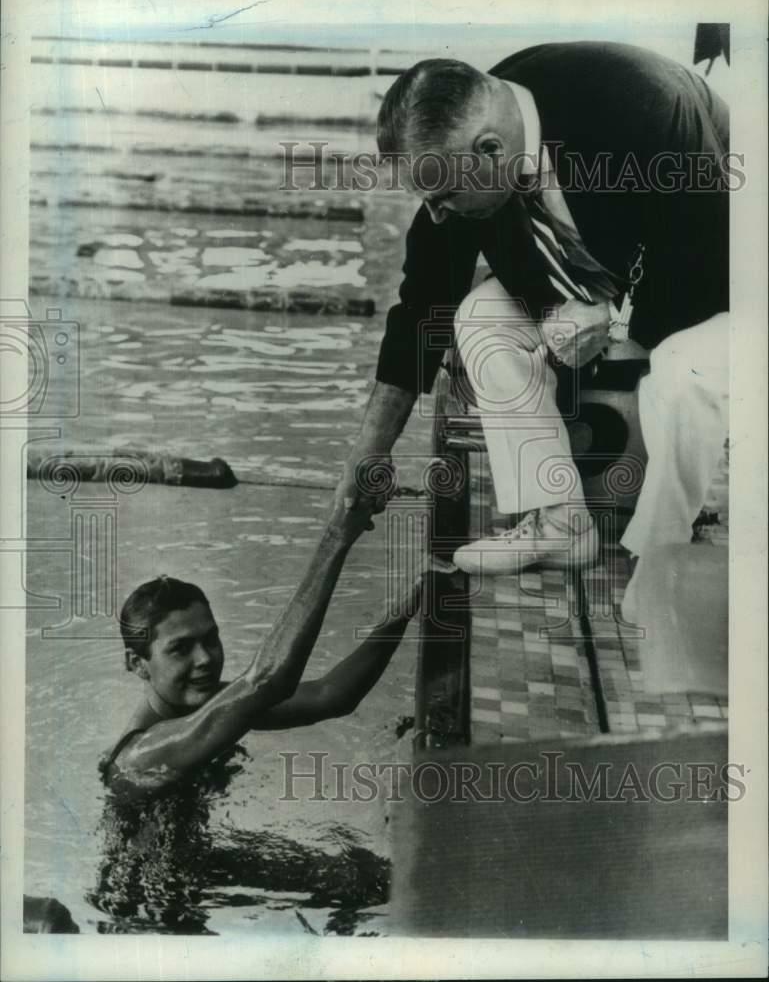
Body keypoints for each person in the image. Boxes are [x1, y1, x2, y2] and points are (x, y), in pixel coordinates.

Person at [333, 41, 729, 586]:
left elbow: (707, 266)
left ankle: (662, 549)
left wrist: (612, 313)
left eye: (442, 196)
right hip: (605, 268)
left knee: (683, 374)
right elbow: (420, 306)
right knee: (476, 319)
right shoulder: (466, 139)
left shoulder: (644, 103)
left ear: (492, 149)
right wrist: (369, 454)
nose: (435, 215)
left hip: (727, 262)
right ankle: (561, 522)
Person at [101, 501, 421, 797]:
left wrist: (408, 602)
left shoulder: (205, 707)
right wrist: (336, 536)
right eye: (180, 648)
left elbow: (333, 695)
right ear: (138, 663)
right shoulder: (143, 752)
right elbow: (269, 681)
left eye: (210, 639)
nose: (205, 659)